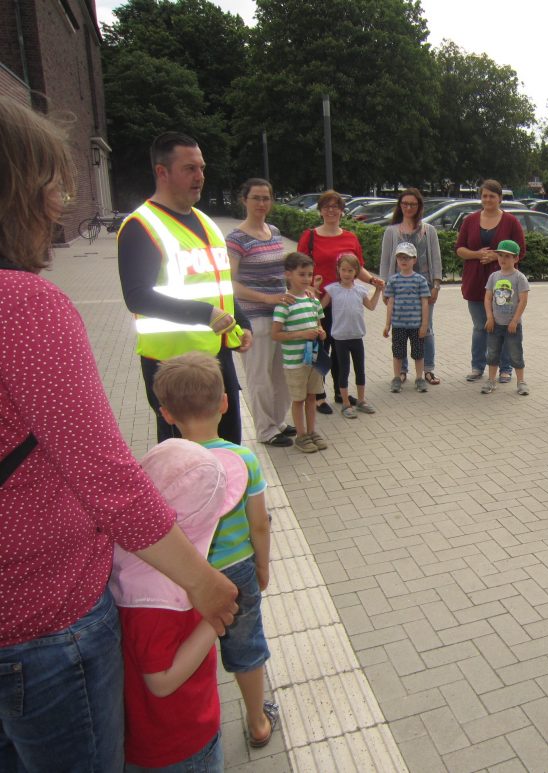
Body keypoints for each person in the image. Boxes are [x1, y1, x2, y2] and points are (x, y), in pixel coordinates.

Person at [0, 94, 236, 772]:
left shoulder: (203, 223)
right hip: (43, 620)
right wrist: (202, 582)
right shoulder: (26, 308)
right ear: (18, 192)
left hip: (214, 361)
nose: (60, 204)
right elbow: (107, 478)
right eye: (52, 184)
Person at [152, 353, 280, 751]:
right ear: (225, 403)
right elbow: (259, 524)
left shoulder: (166, 461)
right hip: (237, 569)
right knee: (246, 643)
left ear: (166, 413)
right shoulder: (242, 459)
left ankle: (198, 719)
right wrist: (262, 565)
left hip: (189, 573)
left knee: (191, 645)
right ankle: (257, 721)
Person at [114, 439, 249, 772]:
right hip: (178, 741)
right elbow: (160, 681)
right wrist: (215, 619)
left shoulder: (128, 554)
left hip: (146, 735)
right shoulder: (156, 596)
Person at [118, 131, 254, 445]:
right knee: (187, 458)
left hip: (217, 357)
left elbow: (217, 285)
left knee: (228, 448)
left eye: (202, 168)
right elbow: (137, 296)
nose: (200, 176)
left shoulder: (206, 222)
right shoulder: (142, 226)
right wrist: (205, 314)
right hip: (175, 366)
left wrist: (242, 321)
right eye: (189, 169)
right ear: (162, 172)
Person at [298, 190, 382, 414]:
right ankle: (318, 396)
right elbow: (299, 267)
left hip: (344, 304)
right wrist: (307, 287)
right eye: (327, 207)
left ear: (342, 211)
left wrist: (372, 281)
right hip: (319, 302)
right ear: (320, 210)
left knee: (340, 351)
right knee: (321, 349)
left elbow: (358, 268)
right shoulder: (310, 236)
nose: (331, 211)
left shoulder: (350, 238)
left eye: (335, 207)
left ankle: (339, 392)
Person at [226, 177, 294, 448]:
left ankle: (277, 420)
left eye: (266, 198)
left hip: (280, 315)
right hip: (255, 317)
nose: (262, 203)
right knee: (260, 377)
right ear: (244, 200)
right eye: (256, 198)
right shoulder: (236, 239)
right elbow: (230, 283)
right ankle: (265, 430)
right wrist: (266, 297)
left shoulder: (273, 231)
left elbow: (279, 273)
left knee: (281, 375)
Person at [456, 179, 525, 383]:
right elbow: (459, 249)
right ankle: (477, 367)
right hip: (476, 281)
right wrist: (477, 254)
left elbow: (521, 250)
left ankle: (505, 368)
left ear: (500, 198)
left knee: (502, 327)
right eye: (484, 196)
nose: (487, 199)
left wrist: (497, 256)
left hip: (503, 284)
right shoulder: (470, 220)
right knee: (480, 326)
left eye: (492, 196)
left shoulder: (511, 222)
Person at [380, 188, 443, 384]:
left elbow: (436, 259)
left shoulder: (428, 230)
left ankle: (427, 369)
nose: (408, 207)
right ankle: (402, 370)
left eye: (413, 204)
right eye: (405, 203)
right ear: (400, 206)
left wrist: (436, 285)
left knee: (426, 328)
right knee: (401, 327)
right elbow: (385, 261)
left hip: (423, 287)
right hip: (398, 287)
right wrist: (385, 287)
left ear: (419, 206)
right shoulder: (392, 231)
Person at [272, 253, 329, 453]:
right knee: (298, 399)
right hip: (295, 362)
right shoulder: (285, 304)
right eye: (302, 274)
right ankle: (301, 435)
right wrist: (301, 334)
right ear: (288, 274)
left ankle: (312, 432)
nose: (306, 279)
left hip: (313, 360)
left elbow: (319, 325)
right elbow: (275, 334)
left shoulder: (313, 301)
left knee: (312, 396)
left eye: (309, 275)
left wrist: (321, 332)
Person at [321, 253, 382, 417]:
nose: (347, 273)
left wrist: (378, 291)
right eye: (343, 270)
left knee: (360, 369)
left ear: (356, 272)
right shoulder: (332, 289)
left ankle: (361, 401)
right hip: (340, 338)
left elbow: (371, 306)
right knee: (344, 370)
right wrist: (313, 291)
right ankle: (346, 403)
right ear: (338, 270)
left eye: (350, 270)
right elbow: (320, 308)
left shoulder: (360, 290)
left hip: (357, 336)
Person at [482, 240, 530, 396]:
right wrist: (489, 317)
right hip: (495, 324)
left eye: (507, 256)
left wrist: (515, 320)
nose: (502, 259)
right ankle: (491, 380)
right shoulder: (493, 277)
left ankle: (521, 381)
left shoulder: (519, 278)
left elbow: (523, 300)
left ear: (516, 258)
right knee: (492, 353)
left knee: (515, 353)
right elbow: (488, 298)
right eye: (500, 255)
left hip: (512, 325)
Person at [383, 242, 431, 393]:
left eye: (407, 258)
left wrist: (424, 325)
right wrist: (387, 324)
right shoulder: (393, 280)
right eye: (400, 257)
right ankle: (397, 378)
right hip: (398, 325)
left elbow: (425, 303)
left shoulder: (420, 280)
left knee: (418, 354)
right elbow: (390, 303)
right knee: (398, 353)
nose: (403, 261)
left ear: (414, 260)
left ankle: (419, 378)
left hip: (416, 325)